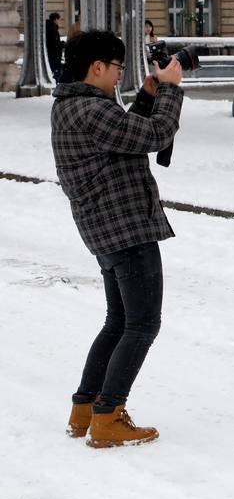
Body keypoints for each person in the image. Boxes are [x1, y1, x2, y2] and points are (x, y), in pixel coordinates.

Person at [51, 29, 183, 448]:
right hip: (126, 227)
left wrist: (146, 97)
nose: (118, 76)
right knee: (142, 324)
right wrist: (172, 92)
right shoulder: (93, 111)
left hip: (105, 230)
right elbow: (155, 136)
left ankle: (85, 410)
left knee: (118, 322)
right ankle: (108, 417)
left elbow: (125, 138)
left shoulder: (72, 106)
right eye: (117, 68)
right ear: (97, 67)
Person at [45, 12, 63, 82]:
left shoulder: (48, 27)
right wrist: (62, 44)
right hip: (54, 54)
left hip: (50, 53)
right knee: (56, 71)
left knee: (53, 69)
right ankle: (56, 83)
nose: (59, 21)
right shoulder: (53, 29)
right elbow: (55, 43)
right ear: (55, 19)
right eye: (58, 19)